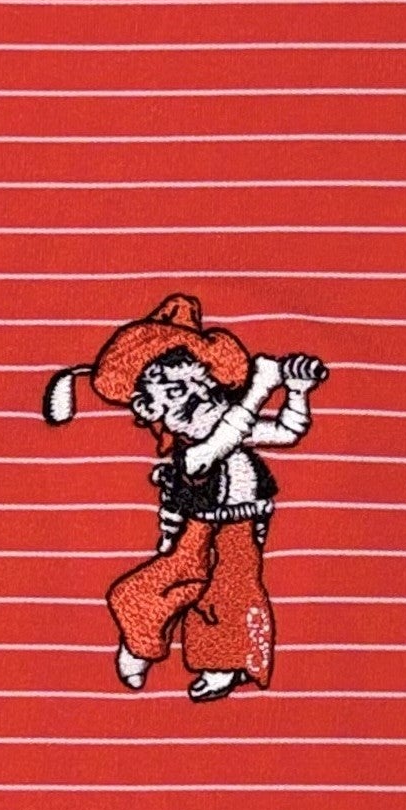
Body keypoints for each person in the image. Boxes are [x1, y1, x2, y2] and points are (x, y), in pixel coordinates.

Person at [43, 294, 327, 702]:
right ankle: (140, 643)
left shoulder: (231, 427)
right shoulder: (193, 452)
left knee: (232, 592)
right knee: (166, 584)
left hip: (243, 525)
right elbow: (216, 447)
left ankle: (222, 666)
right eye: (177, 391)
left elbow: (286, 431)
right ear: (148, 408)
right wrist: (260, 389)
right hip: (198, 526)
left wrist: (297, 391)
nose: (197, 396)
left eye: (204, 383)